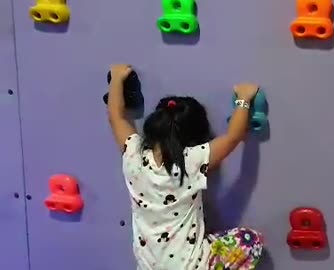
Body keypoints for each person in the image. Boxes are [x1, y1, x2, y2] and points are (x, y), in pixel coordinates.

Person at [107, 64, 263, 270]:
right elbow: (233, 137)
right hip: (192, 266)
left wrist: (117, 78)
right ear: (195, 139)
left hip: (149, 267)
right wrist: (244, 98)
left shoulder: (133, 154)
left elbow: (116, 116)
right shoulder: (192, 161)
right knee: (251, 240)